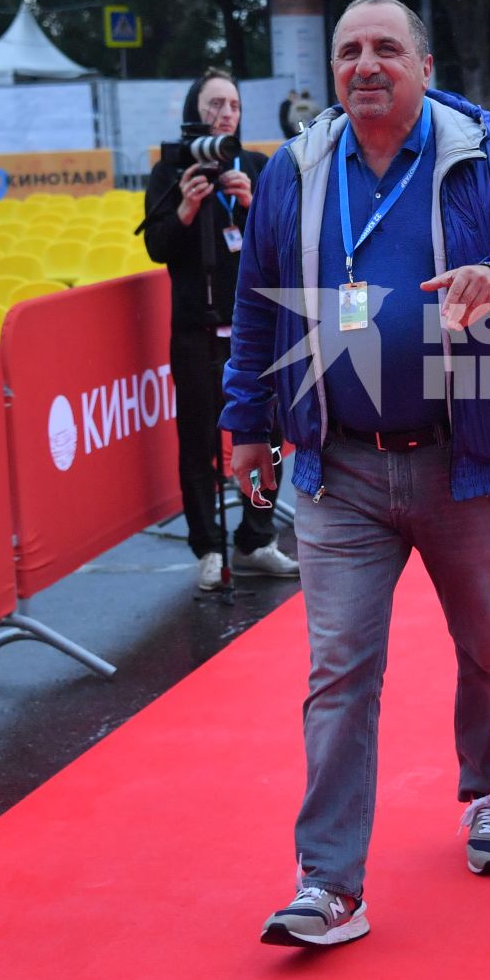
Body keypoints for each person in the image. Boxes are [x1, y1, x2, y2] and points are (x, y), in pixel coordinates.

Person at [221, 0, 490, 949]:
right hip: (336, 470)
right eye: (349, 51)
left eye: (387, 47)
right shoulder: (297, 171)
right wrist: (246, 425)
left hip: (465, 462)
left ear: (425, 63)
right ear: (332, 73)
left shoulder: (481, 159)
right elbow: (257, 310)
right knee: (339, 672)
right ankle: (328, 883)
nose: (366, 63)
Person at [143, 69, 294, 592]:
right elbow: (157, 247)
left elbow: (285, 240)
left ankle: (256, 538)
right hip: (195, 326)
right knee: (199, 441)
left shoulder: (254, 165)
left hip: (253, 326)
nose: (226, 113)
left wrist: (252, 205)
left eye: (232, 104)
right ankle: (208, 548)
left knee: (265, 433)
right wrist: (186, 208)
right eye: (214, 105)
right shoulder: (170, 170)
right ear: (194, 111)